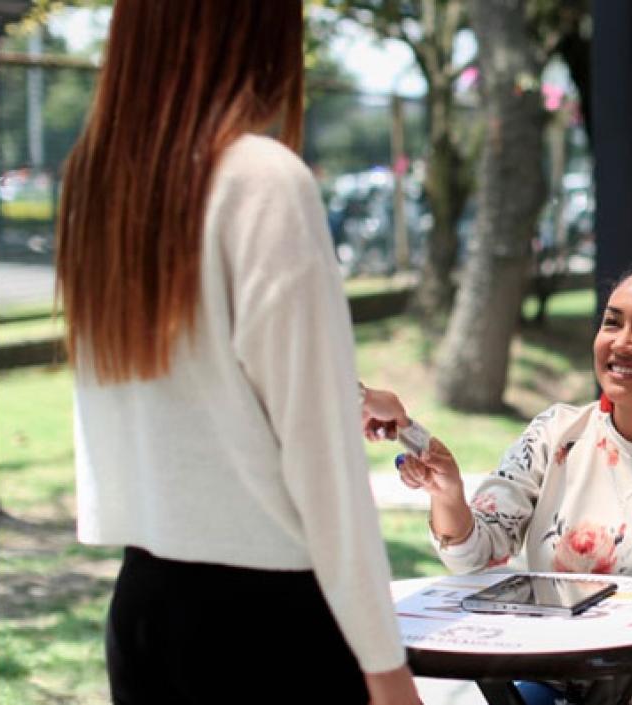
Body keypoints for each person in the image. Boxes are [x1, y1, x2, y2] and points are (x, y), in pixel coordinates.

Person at [54, 2, 420, 702]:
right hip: (267, 627)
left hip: (144, 608)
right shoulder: (262, 180)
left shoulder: (96, 182)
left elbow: (188, 382)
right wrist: (386, 666)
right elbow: (322, 463)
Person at [389, 261, 632, 705]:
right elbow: (473, 558)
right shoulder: (555, 434)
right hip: (553, 678)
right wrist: (448, 495)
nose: (621, 343)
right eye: (612, 322)